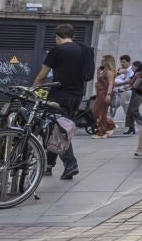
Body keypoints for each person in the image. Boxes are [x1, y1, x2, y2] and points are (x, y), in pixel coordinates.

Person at [30, 24, 92, 181]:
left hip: (60, 94)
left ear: (57, 37)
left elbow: (42, 75)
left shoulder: (57, 50)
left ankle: (71, 163)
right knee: (58, 127)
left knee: (58, 130)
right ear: (73, 36)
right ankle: (48, 165)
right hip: (77, 94)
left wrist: (33, 89)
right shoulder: (83, 49)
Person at [90, 54, 116, 139]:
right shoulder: (103, 70)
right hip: (99, 92)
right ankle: (110, 124)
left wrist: (108, 94)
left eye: (104, 60)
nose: (101, 61)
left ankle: (101, 132)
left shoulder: (109, 72)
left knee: (101, 112)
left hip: (104, 93)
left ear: (108, 61)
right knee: (95, 111)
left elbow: (111, 83)